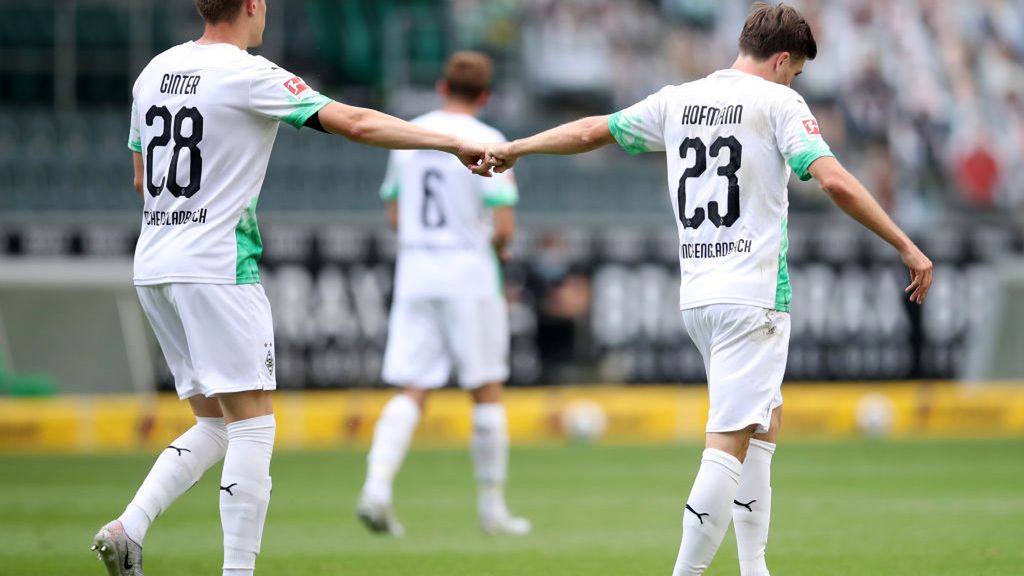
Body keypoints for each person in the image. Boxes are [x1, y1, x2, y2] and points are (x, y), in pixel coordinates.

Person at [484, 3, 933, 574]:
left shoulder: (677, 98)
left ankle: (754, 567)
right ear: (779, 61)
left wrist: (517, 148)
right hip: (753, 295)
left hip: (699, 293)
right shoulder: (779, 102)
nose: (795, 80)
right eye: (795, 70)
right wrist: (904, 243)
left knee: (763, 422)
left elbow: (589, 130)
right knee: (728, 442)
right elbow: (835, 180)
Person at [89, 1, 493, 575]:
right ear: (252, 5)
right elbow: (353, 122)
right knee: (254, 423)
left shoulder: (153, 71)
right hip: (218, 265)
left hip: (156, 261)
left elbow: (139, 178)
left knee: (215, 422)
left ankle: (129, 528)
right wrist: (448, 142)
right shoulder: (250, 73)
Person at [356, 51, 530, 537]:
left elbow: (394, 213)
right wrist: (497, 248)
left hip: (416, 268)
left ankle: (377, 486)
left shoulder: (409, 135)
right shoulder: (490, 140)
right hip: (469, 271)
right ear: (486, 95)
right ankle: (492, 507)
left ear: (441, 87)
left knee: (412, 386)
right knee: (486, 388)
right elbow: (503, 223)